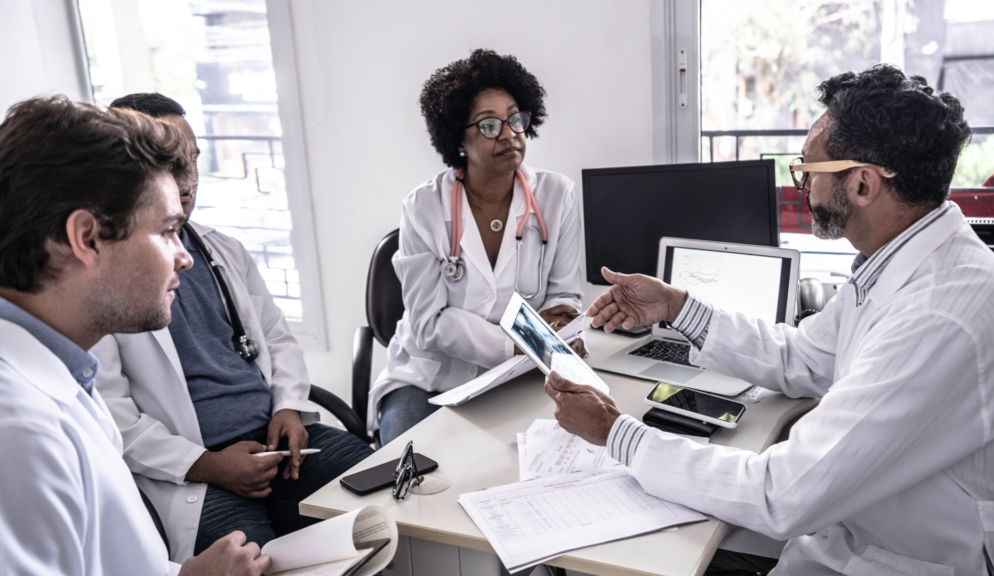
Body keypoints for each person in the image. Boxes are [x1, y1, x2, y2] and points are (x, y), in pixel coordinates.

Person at [545, 65, 994, 576]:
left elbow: (780, 494)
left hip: (926, 557)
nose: (801, 183)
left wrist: (618, 433)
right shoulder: (905, 261)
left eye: (809, 168)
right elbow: (801, 356)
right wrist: (677, 307)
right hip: (870, 526)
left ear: (862, 184)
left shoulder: (940, 316)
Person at [91, 93, 373, 563]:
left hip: (278, 445)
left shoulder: (225, 250)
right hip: (191, 472)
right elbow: (114, 416)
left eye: (193, 159)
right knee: (249, 563)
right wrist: (211, 466)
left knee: (390, 497)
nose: (187, 177)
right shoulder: (107, 279)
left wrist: (288, 409)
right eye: (170, 161)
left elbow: (279, 340)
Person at [0, 96, 271, 575]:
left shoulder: (66, 373)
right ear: (87, 238)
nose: (183, 256)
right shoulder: (19, 431)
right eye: (167, 231)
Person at [369, 49, 585, 445]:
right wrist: (519, 341)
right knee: (409, 474)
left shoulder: (557, 196)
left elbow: (564, 296)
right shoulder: (423, 208)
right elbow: (428, 324)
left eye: (515, 118)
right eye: (488, 125)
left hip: (521, 374)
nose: (509, 134)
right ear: (459, 139)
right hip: (427, 377)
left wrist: (558, 325)